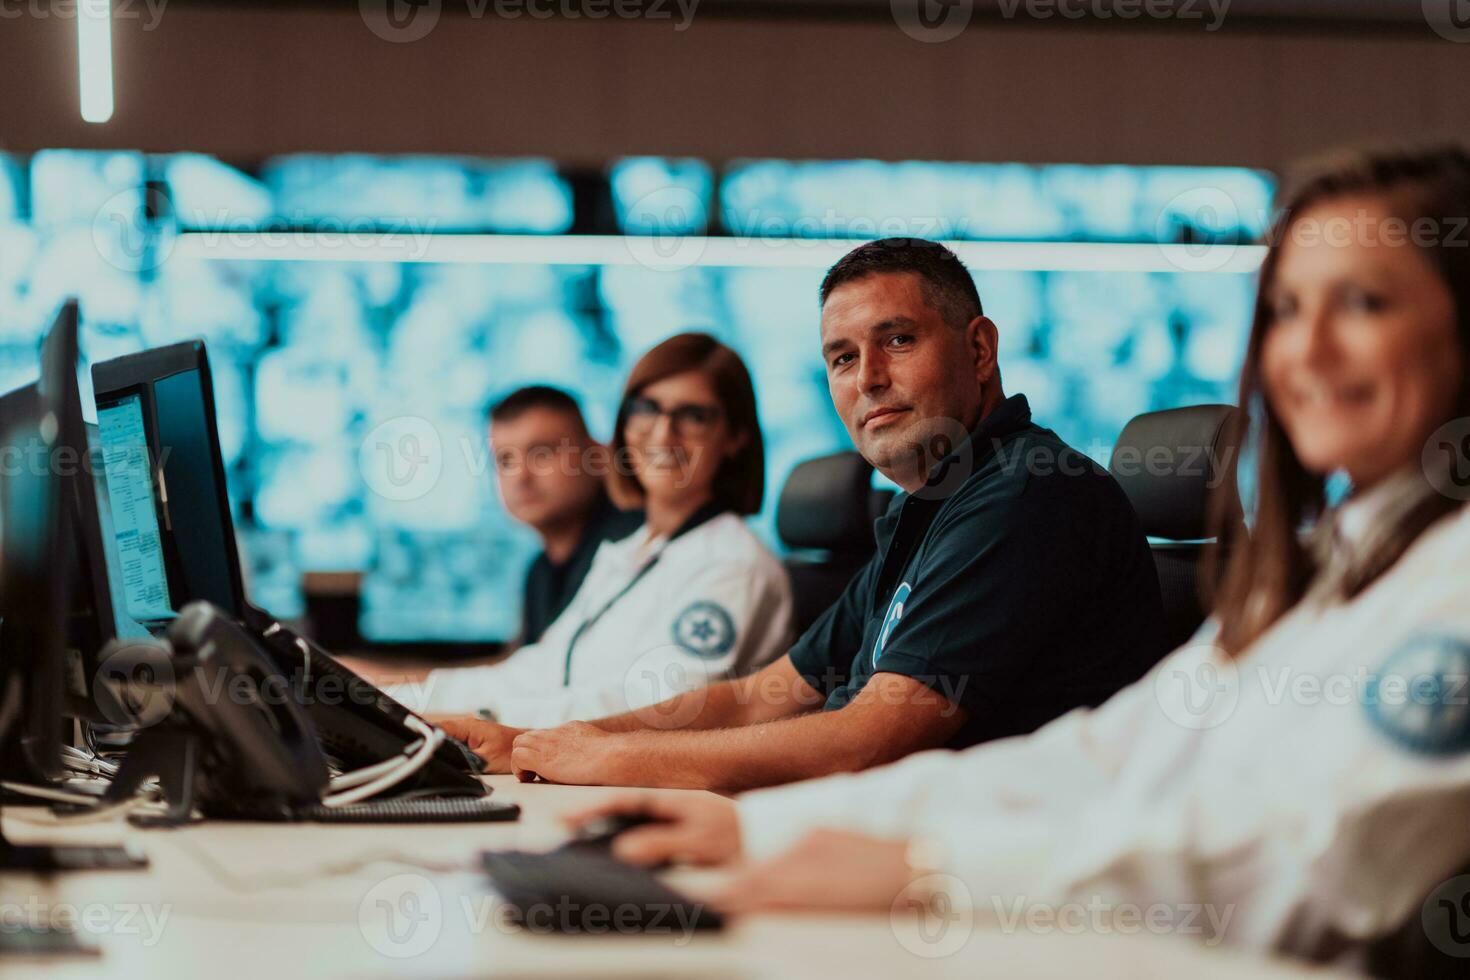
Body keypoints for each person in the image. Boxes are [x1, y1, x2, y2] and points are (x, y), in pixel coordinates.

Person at [566, 147, 1470, 966]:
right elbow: (1100, 757)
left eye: (1364, 302)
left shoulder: (1449, 583)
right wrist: (774, 832)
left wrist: (927, 868)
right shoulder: (1330, 576)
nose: (1304, 351)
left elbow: (1290, 866)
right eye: (1285, 310)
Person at [442, 238, 1167, 791]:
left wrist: (613, 755)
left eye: (899, 340)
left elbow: (871, 739)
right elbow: (765, 696)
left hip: (990, 874)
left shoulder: (1027, 495)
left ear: (979, 349)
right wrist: (547, 738)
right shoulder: (922, 512)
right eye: (843, 358)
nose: (869, 379)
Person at [385, 333, 794, 745]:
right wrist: (388, 698)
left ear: (736, 437)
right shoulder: (630, 553)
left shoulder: (732, 563)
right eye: (646, 409)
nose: (662, 433)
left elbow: (664, 708)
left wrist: (492, 723)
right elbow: (538, 672)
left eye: (693, 416)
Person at [487, 386, 643, 648]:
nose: (520, 477)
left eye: (542, 454)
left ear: (597, 457)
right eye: (505, 460)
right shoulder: (540, 572)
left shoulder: (632, 549)